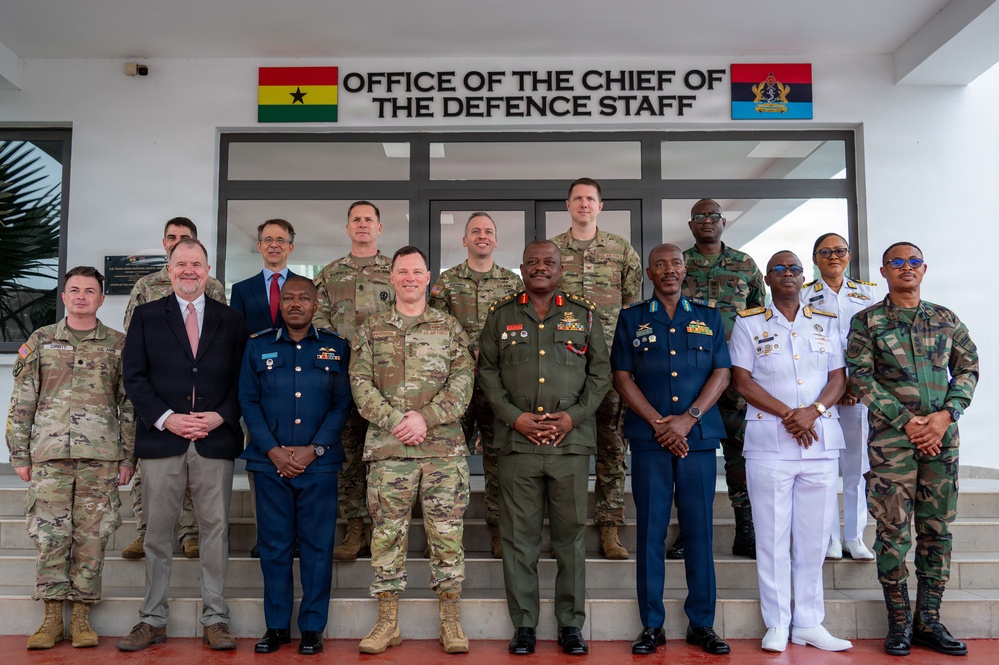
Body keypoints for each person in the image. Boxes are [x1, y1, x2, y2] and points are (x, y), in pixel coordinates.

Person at [479, 240, 611, 656]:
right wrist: (513, 417)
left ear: (560, 268)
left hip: (569, 445)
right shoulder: (500, 315)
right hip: (517, 444)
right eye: (533, 262)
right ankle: (524, 626)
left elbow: (600, 373)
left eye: (548, 262)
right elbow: (486, 370)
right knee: (520, 539)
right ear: (521, 268)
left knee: (571, 538)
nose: (540, 268)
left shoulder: (584, 313)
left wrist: (573, 417)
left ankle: (571, 625)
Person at [847, 242, 978, 657]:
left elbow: (969, 367)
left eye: (914, 261)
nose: (907, 267)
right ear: (884, 271)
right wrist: (908, 422)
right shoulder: (867, 321)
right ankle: (899, 622)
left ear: (925, 269)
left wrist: (945, 416)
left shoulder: (945, 319)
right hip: (892, 443)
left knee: (937, 530)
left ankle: (929, 621)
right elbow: (860, 378)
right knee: (892, 532)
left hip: (942, 440)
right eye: (898, 262)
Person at [117, 239, 248, 651]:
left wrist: (222, 415)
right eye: (181, 264)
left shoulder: (232, 320)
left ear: (208, 270)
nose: (189, 271)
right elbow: (133, 377)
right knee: (157, 535)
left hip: (214, 438)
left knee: (215, 532)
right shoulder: (146, 316)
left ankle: (215, 617)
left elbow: (244, 380)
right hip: (162, 440)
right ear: (169, 270)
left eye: (196, 264)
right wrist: (166, 418)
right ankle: (152, 618)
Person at [349, 246, 474, 655]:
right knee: (386, 536)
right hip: (389, 452)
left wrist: (426, 418)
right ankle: (387, 623)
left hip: (442, 451)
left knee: (447, 536)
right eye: (401, 271)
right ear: (392, 277)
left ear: (427, 278)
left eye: (415, 271)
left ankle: (451, 623)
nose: (408, 278)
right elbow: (360, 383)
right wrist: (394, 421)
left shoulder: (449, 327)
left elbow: (463, 384)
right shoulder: (372, 328)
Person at [611, 244, 731, 656]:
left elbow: (722, 371)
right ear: (649, 271)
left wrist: (689, 417)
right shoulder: (631, 319)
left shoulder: (709, 317)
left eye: (675, 263)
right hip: (650, 442)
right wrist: (658, 422)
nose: (669, 270)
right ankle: (652, 625)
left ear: (685, 270)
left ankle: (702, 623)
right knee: (651, 533)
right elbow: (622, 377)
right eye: (660, 264)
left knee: (699, 533)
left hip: (696, 441)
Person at [730, 250, 852, 653]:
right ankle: (778, 622)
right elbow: (742, 381)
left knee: (814, 540)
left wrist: (813, 413)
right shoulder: (748, 323)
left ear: (805, 277)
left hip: (819, 442)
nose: (787, 274)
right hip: (769, 444)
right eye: (779, 269)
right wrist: (789, 415)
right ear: (767, 278)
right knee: (771, 538)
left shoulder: (825, 322)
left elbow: (838, 378)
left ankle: (810, 622)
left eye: (794, 268)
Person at [6, 266, 134, 650]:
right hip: (49, 456)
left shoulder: (119, 344)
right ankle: (50, 618)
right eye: (74, 290)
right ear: (64, 296)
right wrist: (19, 453)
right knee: (50, 535)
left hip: (101, 456)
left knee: (92, 537)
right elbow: (22, 400)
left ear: (100, 298)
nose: (81, 296)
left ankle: (80, 616)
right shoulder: (42, 340)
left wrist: (129, 457)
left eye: (89, 290)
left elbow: (128, 405)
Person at [239, 277, 351, 655]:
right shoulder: (257, 347)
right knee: (274, 547)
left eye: (304, 298)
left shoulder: (336, 348)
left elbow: (341, 406)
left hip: (318, 467)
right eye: (289, 298)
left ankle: (312, 628)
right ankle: (276, 627)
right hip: (269, 466)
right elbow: (247, 402)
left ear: (316, 304)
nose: (296, 304)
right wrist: (272, 450)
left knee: (318, 548)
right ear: (280, 304)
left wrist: (314, 449)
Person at [121, 216, 226, 561]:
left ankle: (190, 532)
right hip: (157, 399)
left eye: (185, 238)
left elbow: (218, 341)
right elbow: (134, 345)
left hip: (199, 402)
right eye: (172, 238)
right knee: (151, 475)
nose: (176, 241)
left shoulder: (212, 287)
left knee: (197, 476)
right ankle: (144, 530)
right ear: (166, 249)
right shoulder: (145, 286)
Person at [550, 177, 641, 560]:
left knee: (611, 446)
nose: (584, 204)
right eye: (578, 199)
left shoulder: (620, 249)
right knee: (561, 449)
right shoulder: (552, 249)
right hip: (563, 365)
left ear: (600, 206)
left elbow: (632, 305)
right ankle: (562, 531)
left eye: (590, 199)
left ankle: (609, 527)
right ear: (568, 205)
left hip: (608, 365)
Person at [428, 211, 524, 559]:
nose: (482, 236)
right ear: (464, 240)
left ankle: (499, 530)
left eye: (488, 231)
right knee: (447, 461)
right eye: (474, 231)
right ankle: (440, 532)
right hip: (456, 387)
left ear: (496, 240)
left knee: (499, 460)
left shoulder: (513, 284)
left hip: (499, 387)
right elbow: (435, 331)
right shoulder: (447, 282)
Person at [678, 198, 766, 560]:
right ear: (691, 224)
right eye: (700, 217)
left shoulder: (745, 264)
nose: (707, 221)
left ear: (724, 222)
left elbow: (761, 314)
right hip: (692, 373)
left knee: (740, 453)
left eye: (713, 216)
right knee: (690, 454)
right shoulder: (679, 264)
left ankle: (745, 528)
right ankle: (689, 532)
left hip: (737, 372)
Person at [313, 200, 395, 561]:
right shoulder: (330, 275)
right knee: (347, 457)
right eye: (356, 220)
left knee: (382, 458)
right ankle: (355, 527)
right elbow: (319, 324)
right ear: (347, 228)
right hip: (343, 381)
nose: (362, 225)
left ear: (379, 228)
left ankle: (383, 529)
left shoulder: (395, 272)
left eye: (369, 220)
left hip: (388, 384)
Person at [802, 233, 878, 561]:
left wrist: (857, 385)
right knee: (826, 466)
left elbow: (876, 344)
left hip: (859, 393)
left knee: (856, 466)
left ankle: (855, 536)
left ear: (848, 256)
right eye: (825, 252)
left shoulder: (869, 294)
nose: (834, 257)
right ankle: (830, 537)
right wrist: (834, 388)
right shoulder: (805, 295)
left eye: (840, 251)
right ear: (815, 259)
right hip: (822, 393)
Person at [230, 218, 299, 559]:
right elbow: (236, 343)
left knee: (299, 463)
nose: (274, 245)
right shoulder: (242, 290)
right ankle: (266, 536)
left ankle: (296, 536)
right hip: (257, 394)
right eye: (267, 239)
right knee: (263, 466)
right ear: (258, 246)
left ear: (291, 247)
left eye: (281, 239)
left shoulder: (306, 286)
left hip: (300, 392)